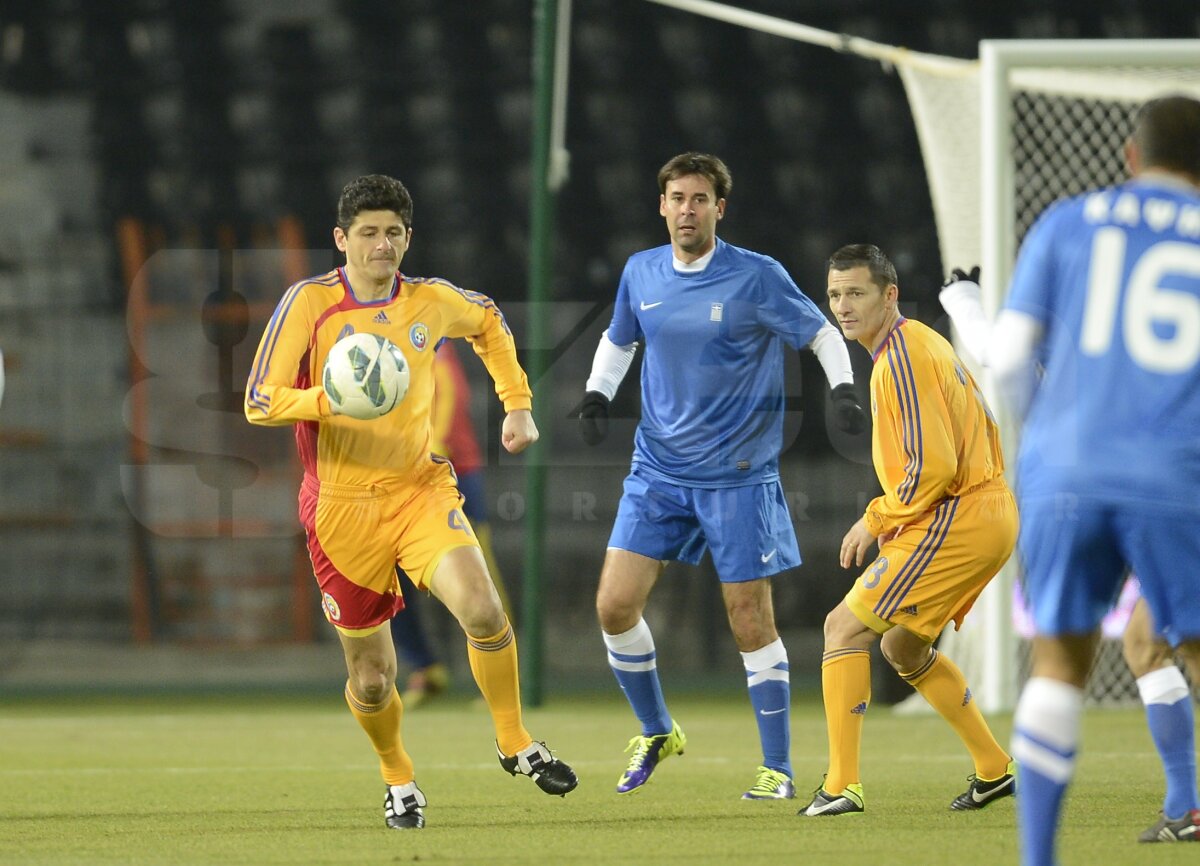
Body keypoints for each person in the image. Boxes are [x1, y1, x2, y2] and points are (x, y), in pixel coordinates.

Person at [244, 174, 576, 831]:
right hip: (341, 510)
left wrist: (518, 405)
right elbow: (260, 400)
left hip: (420, 489)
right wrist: (327, 401)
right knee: (372, 679)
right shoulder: (309, 304)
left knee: (482, 608)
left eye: (393, 232)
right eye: (367, 233)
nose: (382, 244)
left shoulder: (429, 301)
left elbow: (490, 324)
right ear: (342, 240)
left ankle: (514, 740)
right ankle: (398, 777)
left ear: (408, 238)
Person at [942, 94, 1200, 861]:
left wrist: (1041, 428)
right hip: (1175, 472)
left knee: (1060, 664)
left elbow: (1012, 364)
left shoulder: (1067, 222)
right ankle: (1187, 802)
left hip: (1063, 470)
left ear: (1128, 156)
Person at [578, 152, 866, 801]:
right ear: (662, 205)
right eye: (677, 197)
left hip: (738, 475)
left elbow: (821, 333)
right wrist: (598, 392)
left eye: (700, 199)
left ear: (719, 208)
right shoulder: (641, 271)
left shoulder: (756, 277)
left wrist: (843, 389)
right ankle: (657, 729)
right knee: (613, 604)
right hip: (657, 469)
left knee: (748, 620)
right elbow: (621, 339)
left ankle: (778, 769)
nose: (687, 209)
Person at [798, 243, 1018, 818]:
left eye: (856, 294)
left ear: (889, 295)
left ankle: (841, 786)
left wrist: (875, 519)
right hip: (985, 511)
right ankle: (994, 769)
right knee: (901, 645)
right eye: (835, 295)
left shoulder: (900, 358)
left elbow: (934, 466)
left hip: (963, 513)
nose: (843, 307)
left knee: (842, 628)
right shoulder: (915, 341)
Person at [390, 340, 514, 708]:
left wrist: (436, 442)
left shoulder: (427, 333)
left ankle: (499, 679)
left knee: (476, 578)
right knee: (388, 577)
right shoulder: (369, 336)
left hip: (454, 470)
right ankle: (425, 667)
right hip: (397, 478)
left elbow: (450, 390)